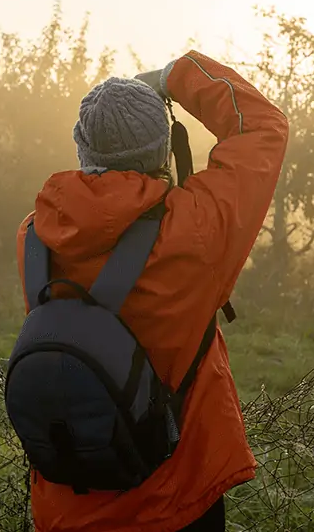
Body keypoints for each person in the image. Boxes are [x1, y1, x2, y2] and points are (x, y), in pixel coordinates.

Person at [14, 50, 289, 532]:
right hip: (173, 503)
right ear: (164, 153)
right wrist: (173, 78)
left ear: (82, 148)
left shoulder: (35, 236)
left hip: (65, 507)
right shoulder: (193, 232)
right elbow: (262, 126)